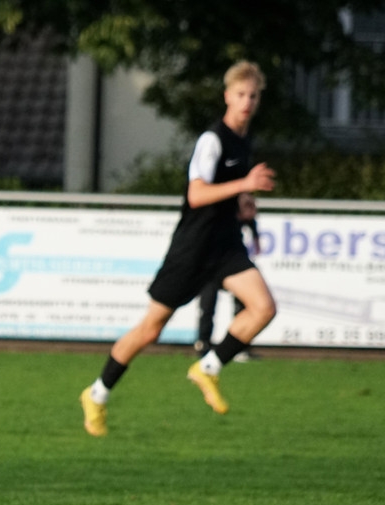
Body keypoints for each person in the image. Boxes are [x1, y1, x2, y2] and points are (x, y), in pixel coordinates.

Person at [79, 60, 276, 436]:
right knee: (150, 330)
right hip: (192, 247)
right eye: (240, 95)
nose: (247, 102)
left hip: (225, 245)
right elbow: (196, 194)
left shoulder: (244, 140)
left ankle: (207, 368)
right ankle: (97, 393)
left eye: (253, 96)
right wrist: (243, 185)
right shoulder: (212, 140)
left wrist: (243, 201)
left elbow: (228, 190)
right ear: (227, 96)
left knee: (264, 307)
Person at [195, 201, 260, 360]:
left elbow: (255, 238)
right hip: (210, 265)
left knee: (244, 305)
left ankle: (238, 347)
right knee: (207, 306)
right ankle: (203, 345)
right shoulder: (218, 211)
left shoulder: (243, 215)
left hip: (231, 264)